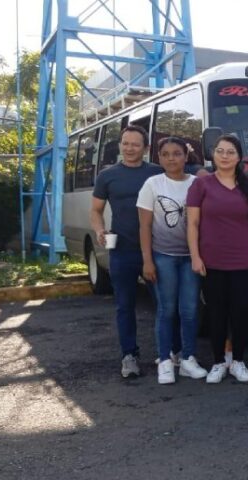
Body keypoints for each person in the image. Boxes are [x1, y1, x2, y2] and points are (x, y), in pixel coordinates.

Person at [186, 134, 248, 384]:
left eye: (230, 152)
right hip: (212, 259)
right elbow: (193, 224)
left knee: (241, 313)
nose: (225, 156)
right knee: (217, 313)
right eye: (220, 151)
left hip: (246, 259)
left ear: (239, 156)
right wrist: (195, 256)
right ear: (213, 154)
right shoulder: (201, 185)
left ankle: (238, 361)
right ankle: (219, 362)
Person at [90, 124, 162, 378]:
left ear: (145, 148)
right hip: (121, 250)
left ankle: (169, 354)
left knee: (163, 304)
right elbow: (96, 210)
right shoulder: (107, 176)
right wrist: (100, 231)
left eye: (135, 144)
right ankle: (129, 356)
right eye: (125, 143)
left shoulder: (156, 173)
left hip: (156, 249)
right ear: (120, 145)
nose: (129, 148)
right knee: (125, 305)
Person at [136, 137, 208, 385]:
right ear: (158, 157)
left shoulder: (198, 183)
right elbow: (145, 226)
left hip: (191, 257)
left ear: (185, 157)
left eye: (177, 154)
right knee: (167, 310)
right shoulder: (152, 184)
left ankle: (187, 359)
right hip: (163, 256)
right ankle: (165, 361)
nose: (171, 158)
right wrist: (147, 261)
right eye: (165, 154)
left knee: (189, 311)